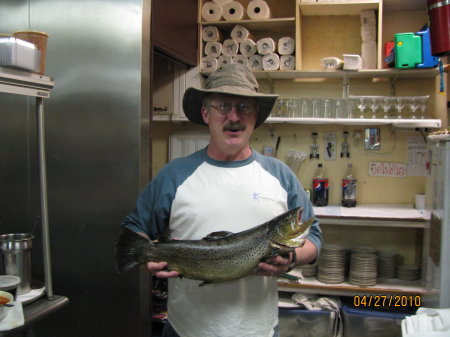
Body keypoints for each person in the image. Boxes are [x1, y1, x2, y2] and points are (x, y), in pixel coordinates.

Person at [120, 63, 322, 337]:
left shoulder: (280, 175)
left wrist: (293, 257)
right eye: (223, 106)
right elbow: (134, 230)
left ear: (255, 116)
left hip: (259, 331)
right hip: (187, 330)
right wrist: (148, 257)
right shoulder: (175, 174)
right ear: (206, 113)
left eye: (244, 107)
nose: (234, 117)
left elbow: (314, 238)